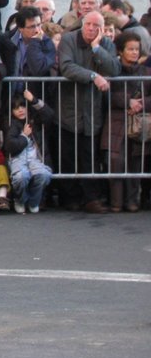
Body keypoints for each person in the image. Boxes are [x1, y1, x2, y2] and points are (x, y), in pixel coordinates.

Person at [57, 11, 120, 213]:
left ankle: (91, 198)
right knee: (68, 155)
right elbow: (67, 67)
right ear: (82, 24)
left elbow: (113, 68)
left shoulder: (106, 44)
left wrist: (96, 48)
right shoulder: (68, 40)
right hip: (69, 108)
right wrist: (93, 76)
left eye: (97, 26)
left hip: (93, 109)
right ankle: (70, 197)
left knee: (89, 156)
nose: (92, 29)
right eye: (89, 24)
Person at [105, 31, 148, 212]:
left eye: (136, 49)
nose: (134, 52)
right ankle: (116, 202)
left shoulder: (146, 72)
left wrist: (141, 104)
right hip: (116, 122)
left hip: (139, 122)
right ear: (121, 51)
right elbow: (106, 94)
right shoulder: (113, 71)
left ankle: (132, 202)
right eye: (130, 49)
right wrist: (127, 101)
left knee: (136, 161)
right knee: (116, 160)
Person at [3, 90, 55, 214]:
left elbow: (50, 115)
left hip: (35, 159)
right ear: (11, 112)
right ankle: (20, 200)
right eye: (16, 108)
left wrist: (34, 100)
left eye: (22, 106)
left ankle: (34, 201)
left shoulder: (35, 121)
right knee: (21, 176)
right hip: (17, 159)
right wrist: (24, 136)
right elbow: (10, 145)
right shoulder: (10, 124)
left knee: (43, 174)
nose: (20, 110)